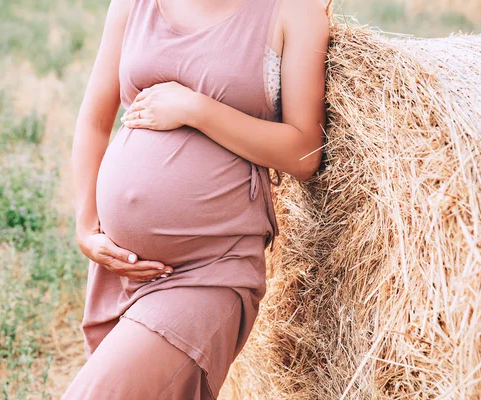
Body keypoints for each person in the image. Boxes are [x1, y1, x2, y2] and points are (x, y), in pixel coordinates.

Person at [62, 0, 328, 398]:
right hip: (120, 269)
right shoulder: (134, 4)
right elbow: (96, 120)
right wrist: (86, 227)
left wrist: (196, 109)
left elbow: (305, 152)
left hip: (209, 270)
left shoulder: (293, 10)